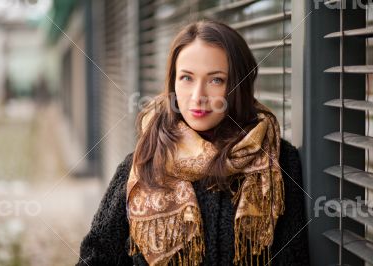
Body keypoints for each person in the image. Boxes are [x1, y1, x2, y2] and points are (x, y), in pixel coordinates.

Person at [76, 19, 310, 266]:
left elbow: (294, 257)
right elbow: (97, 256)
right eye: (187, 78)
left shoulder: (277, 162)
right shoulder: (144, 163)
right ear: (173, 82)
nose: (198, 97)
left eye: (216, 80)